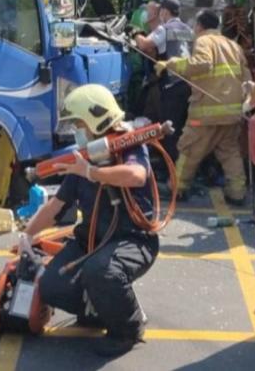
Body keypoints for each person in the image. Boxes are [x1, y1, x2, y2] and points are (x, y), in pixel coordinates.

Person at [24, 84, 158, 357]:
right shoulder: (82, 160)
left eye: (79, 123)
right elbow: (55, 206)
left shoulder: (128, 143)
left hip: (133, 239)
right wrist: (27, 235)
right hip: (93, 238)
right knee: (51, 285)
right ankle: (100, 308)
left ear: (95, 118)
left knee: (102, 271)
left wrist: (93, 173)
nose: (76, 130)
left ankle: (129, 329)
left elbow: (136, 175)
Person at [154, 9, 252, 205]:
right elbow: (247, 77)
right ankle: (237, 192)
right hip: (232, 113)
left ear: (199, 26)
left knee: (189, 150)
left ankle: (178, 188)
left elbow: (203, 63)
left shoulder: (204, 41)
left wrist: (171, 65)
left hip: (207, 112)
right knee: (230, 152)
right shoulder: (233, 45)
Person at [132, 0, 193, 161]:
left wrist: (136, 33)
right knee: (181, 127)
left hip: (171, 85)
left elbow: (144, 45)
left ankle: (171, 170)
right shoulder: (188, 29)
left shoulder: (163, 29)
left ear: (164, 12)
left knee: (169, 129)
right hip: (187, 84)